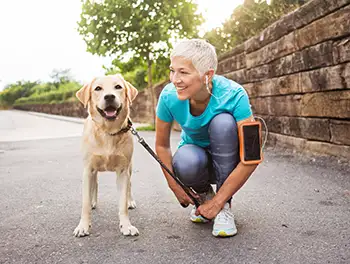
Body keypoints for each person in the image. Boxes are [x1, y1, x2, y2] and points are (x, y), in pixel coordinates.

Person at [155, 39, 259, 237]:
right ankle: (204, 195)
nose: (174, 79)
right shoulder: (168, 96)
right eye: (172, 70)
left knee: (223, 123)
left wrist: (218, 203)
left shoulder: (235, 94)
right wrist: (175, 186)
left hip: (230, 161)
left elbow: (252, 156)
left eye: (183, 72)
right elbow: (161, 146)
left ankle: (224, 206)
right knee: (185, 160)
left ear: (207, 75)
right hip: (197, 163)